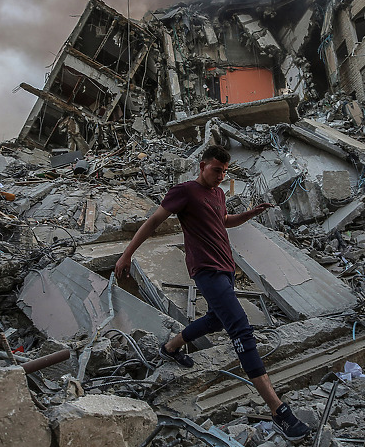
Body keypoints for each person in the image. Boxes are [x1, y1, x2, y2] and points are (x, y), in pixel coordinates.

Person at [114, 145, 311, 442]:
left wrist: (249, 214)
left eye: (224, 172)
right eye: (216, 170)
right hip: (206, 270)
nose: (220, 177)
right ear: (203, 165)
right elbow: (153, 221)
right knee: (241, 329)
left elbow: (224, 221)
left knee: (217, 320)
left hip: (225, 267)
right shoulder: (185, 191)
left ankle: (170, 348)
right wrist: (126, 255)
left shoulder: (218, 194)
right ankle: (279, 411)